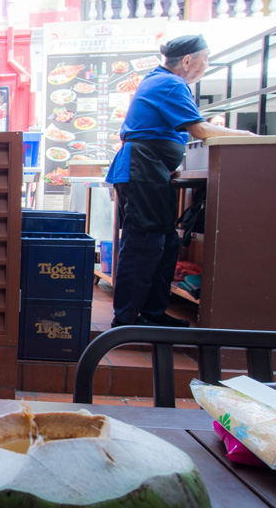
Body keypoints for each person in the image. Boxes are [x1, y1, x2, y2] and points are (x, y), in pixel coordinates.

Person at [105, 34, 253, 327]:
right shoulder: (169, 83)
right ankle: (125, 320)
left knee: (166, 243)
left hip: (150, 170)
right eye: (205, 59)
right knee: (144, 244)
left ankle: (151, 313)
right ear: (187, 60)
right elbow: (200, 131)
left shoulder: (163, 81)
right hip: (142, 170)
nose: (206, 66)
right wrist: (248, 136)